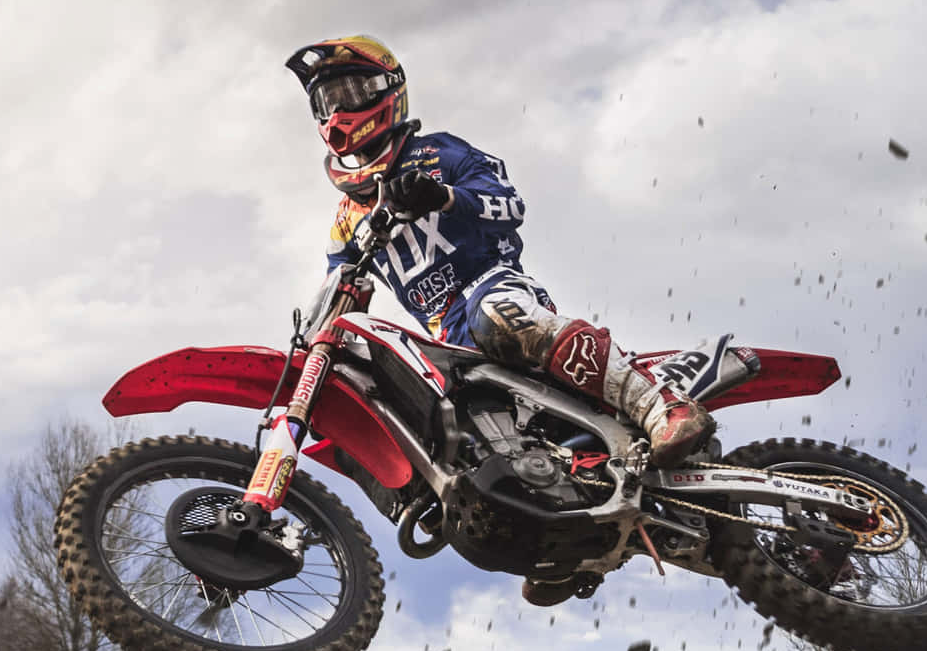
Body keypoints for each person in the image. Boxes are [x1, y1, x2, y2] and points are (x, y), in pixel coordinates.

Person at [288, 36, 714, 609]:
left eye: (352, 91)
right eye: (328, 99)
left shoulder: (439, 153)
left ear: (388, 91)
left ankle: (662, 407)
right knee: (422, 421)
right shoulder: (346, 220)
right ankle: (555, 542)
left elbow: (510, 206)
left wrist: (442, 197)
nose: (340, 109)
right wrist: (312, 343)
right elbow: (343, 292)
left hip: (493, 290)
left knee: (498, 313)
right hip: (446, 336)